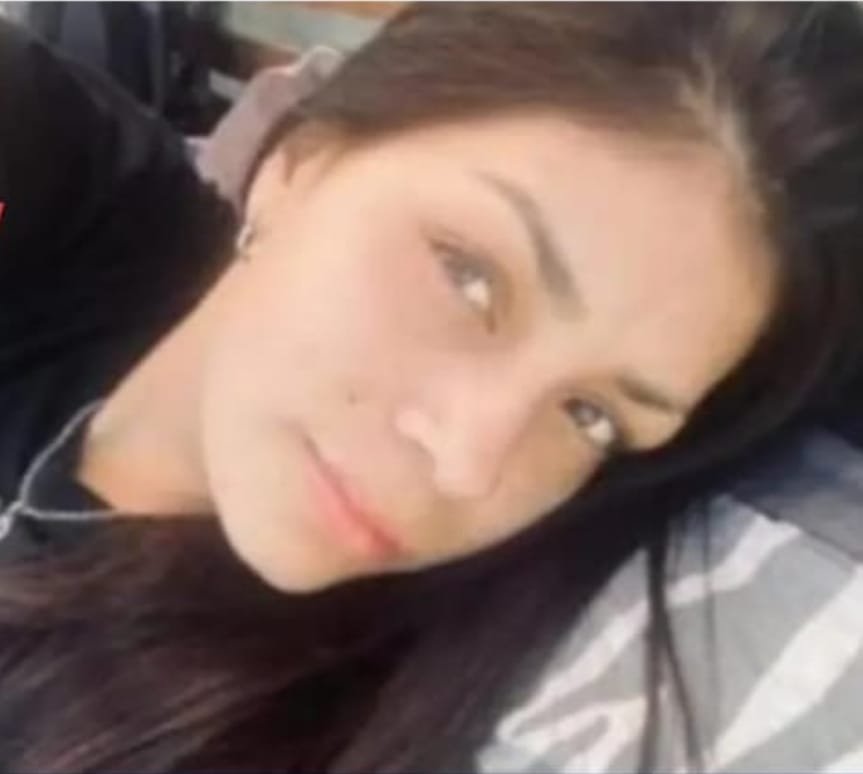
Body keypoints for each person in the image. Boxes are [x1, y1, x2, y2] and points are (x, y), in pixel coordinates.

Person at [1, 3, 863, 771]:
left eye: (590, 415)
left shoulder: (391, 706)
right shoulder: (80, 212)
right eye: (471, 278)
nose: (467, 465)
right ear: (298, 163)